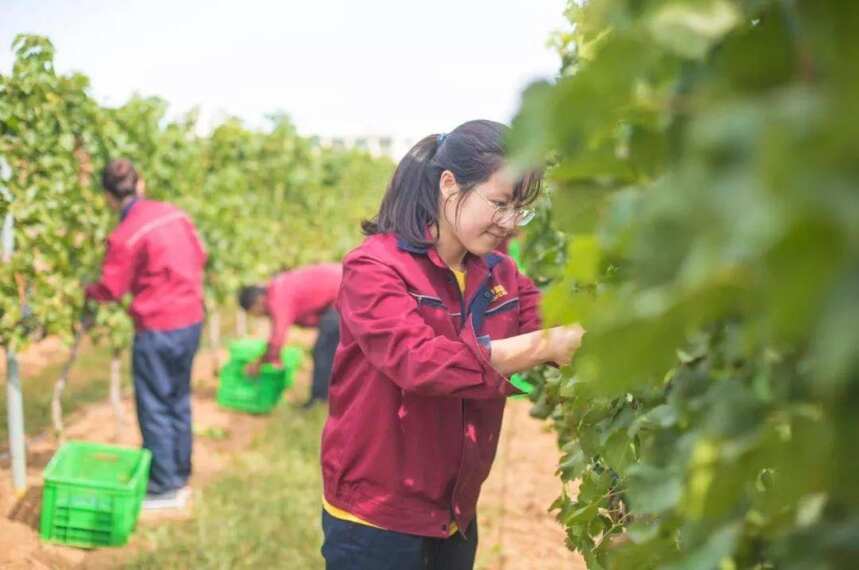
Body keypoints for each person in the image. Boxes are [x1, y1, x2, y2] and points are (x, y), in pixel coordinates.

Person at [319, 120, 585, 570]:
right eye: (499, 203)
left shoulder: (501, 273)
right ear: (448, 185)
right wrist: (543, 346)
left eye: (518, 209)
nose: (509, 223)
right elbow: (418, 362)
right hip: (378, 513)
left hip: (454, 509)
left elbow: (552, 321)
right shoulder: (376, 266)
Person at [85, 159, 207, 510]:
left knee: (154, 404)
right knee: (177, 398)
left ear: (108, 197)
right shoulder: (176, 215)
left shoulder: (125, 235)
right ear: (141, 183)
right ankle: (181, 473)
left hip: (158, 327)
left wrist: (87, 291)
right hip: (191, 319)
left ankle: (165, 486)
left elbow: (110, 288)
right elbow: (201, 254)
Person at [238, 262, 342, 408]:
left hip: (342, 291)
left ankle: (319, 401)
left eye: (254, 314)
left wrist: (260, 363)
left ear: (257, 303)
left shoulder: (277, 297)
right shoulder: (278, 288)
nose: (259, 316)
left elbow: (278, 338)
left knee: (323, 350)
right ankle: (330, 398)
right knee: (331, 348)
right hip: (340, 288)